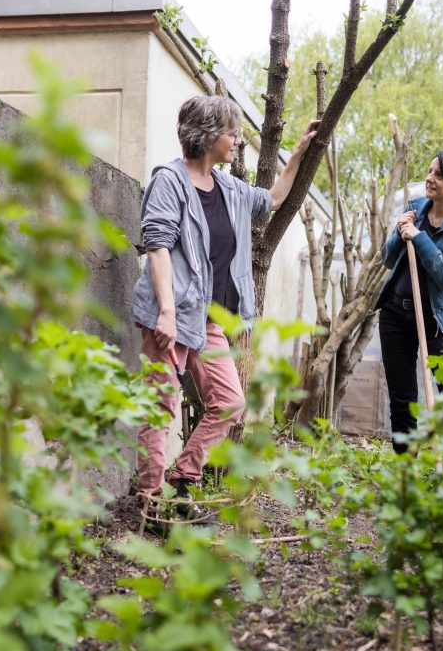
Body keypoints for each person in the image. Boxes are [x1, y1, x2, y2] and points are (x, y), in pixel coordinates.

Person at [132, 94, 320, 513]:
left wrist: (301, 153)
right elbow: (157, 246)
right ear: (210, 135)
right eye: (232, 133)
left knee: (230, 402)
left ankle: (182, 479)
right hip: (172, 313)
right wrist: (165, 312)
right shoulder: (170, 181)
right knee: (160, 405)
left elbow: (271, 199)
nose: (238, 140)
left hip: (209, 319)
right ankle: (149, 499)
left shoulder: (230, 189)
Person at [377, 151, 443, 454]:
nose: (429, 178)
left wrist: (420, 237)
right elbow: (387, 259)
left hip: (439, 322)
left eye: (438, 174)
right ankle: (406, 471)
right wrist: (401, 232)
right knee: (402, 397)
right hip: (396, 314)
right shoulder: (416, 209)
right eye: (429, 171)